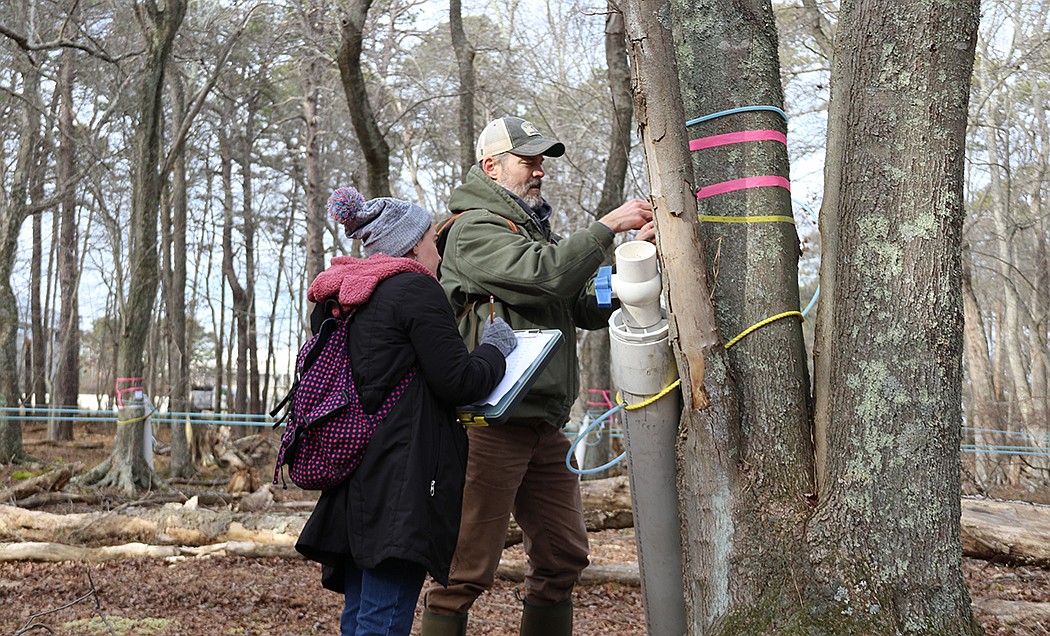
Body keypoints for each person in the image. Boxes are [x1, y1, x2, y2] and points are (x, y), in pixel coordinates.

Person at [421, 117, 654, 635]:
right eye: (527, 160)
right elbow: (546, 276)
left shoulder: (533, 231)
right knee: (463, 568)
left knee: (562, 557)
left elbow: (580, 302)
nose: (539, 170)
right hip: (488, 426)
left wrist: (638, 264)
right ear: (491, 167)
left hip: (543, 424)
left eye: (541, 161)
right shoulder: (473, 229)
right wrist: (606, 228)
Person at [294, 186, 518, 636]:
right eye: (433, 239)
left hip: (354, 472)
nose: (439, 251)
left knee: (361, 614)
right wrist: (496, 347)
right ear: (413, 245)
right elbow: (459, 382)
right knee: (384, 619)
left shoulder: (347, 293)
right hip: (400, 479)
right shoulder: (415, 288)